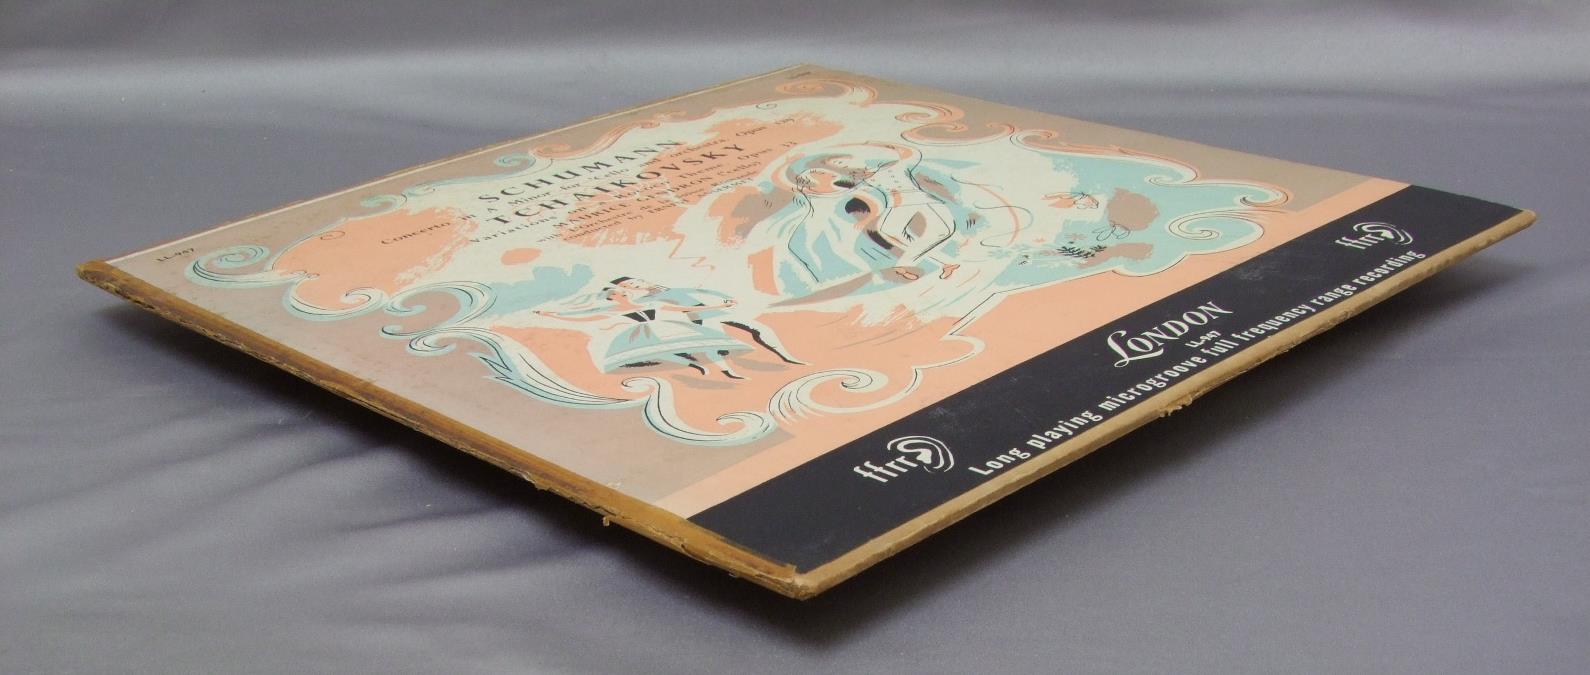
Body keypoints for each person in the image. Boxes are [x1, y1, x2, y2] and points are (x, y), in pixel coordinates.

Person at [535, 286, 751, 379]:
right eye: (619, 294)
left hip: (667, 328)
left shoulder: (651, 303)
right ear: (612, 298)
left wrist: (719, 305)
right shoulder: (612, 310)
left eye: (624, 292)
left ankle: (727, 371)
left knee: (709, 346)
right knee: (663, 352)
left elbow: (684, 309)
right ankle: (694, 365)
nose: (625, 294)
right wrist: (553, 314)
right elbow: (584, 317)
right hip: (642, 334)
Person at [610, 276, 807, 365]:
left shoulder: (669, 288)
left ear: (642, 280)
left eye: (635, 282)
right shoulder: (648, 299)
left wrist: (723, 299)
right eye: (630, 286)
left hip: (717, 312)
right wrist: (718, 305)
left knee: (760, 329)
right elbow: (682, 308)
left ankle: (786, 356)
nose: (635, 285)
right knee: (718, 348)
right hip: (700, 319)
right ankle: (729, 373)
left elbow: (699, 291)